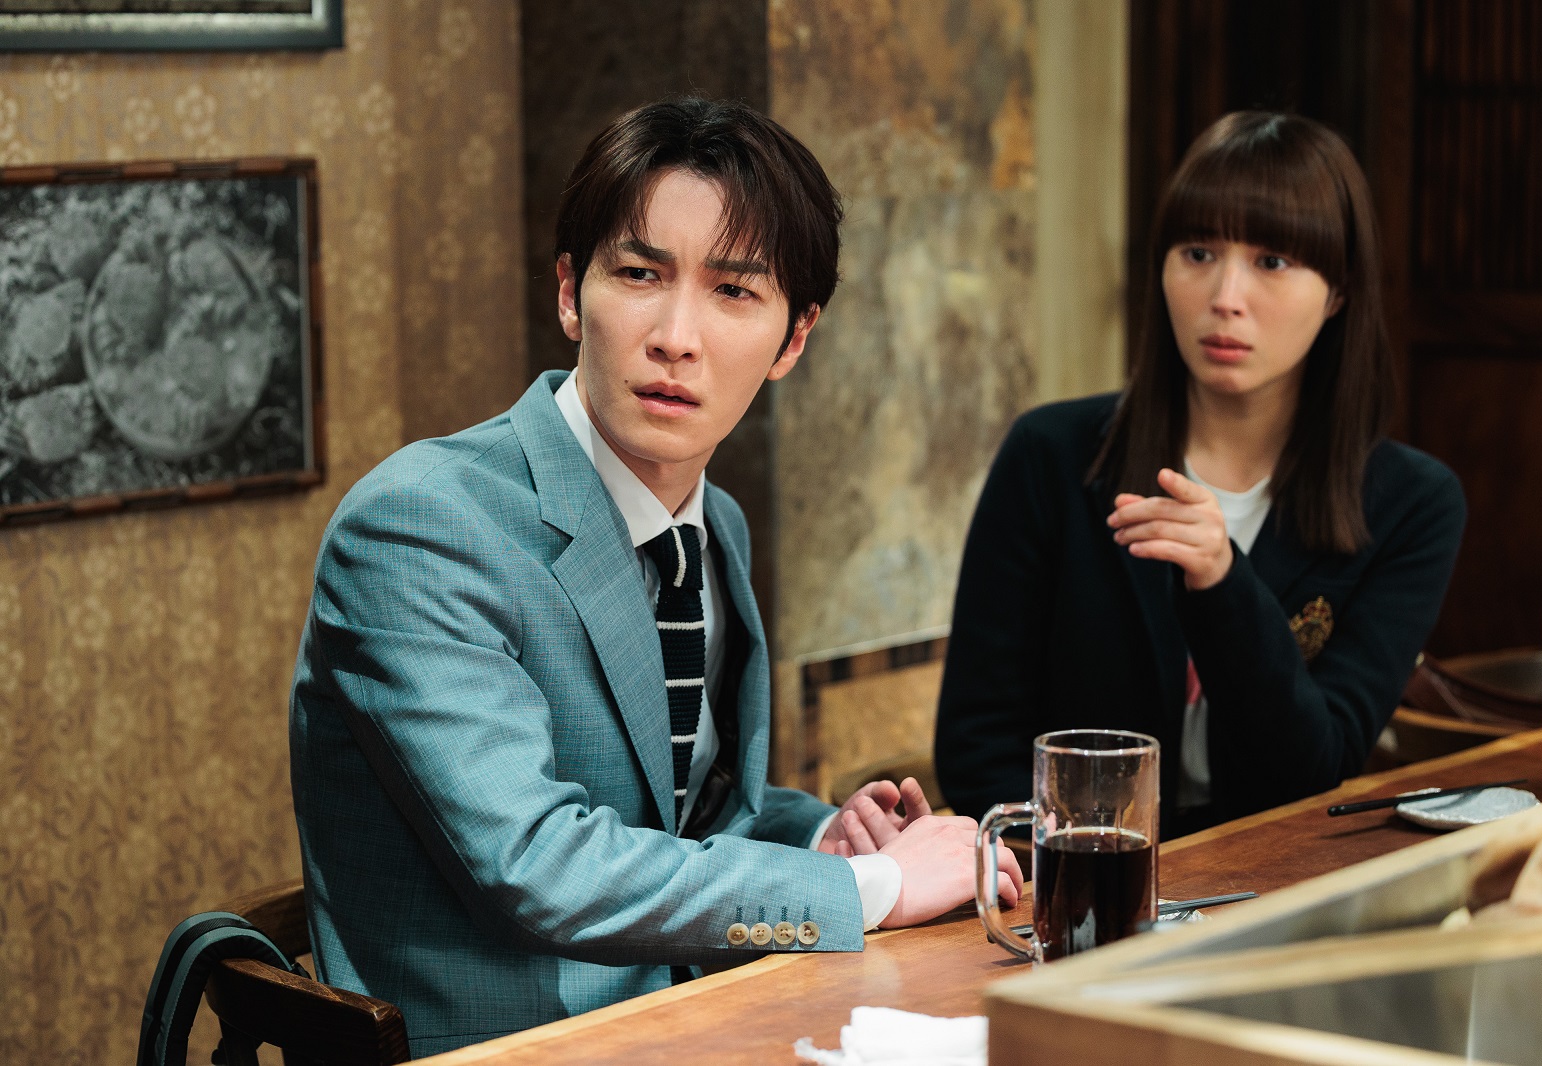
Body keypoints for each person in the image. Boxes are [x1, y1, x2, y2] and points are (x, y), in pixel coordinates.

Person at [289, 96, 1021, 1059]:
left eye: (734, 291)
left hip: (695, 1026)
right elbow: (535, 864)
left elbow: (685, 808)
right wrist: (870, 888)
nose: (677, 336)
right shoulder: (420, 525)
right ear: (569, 293)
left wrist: (822, 840)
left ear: (794, 340)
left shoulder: (712, 523)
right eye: (640, 274)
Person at [934, 111, 1467, 839]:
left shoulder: (1411, 502)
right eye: (1198, 253)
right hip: (1077, 876)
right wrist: (1082, 875)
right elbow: (975, 747)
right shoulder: (1050, 455)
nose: (1225, 296)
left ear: (1339, 291)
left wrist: (1222, 582)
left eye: (1271, 261)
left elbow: (1314, 766)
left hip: (1274, 877)